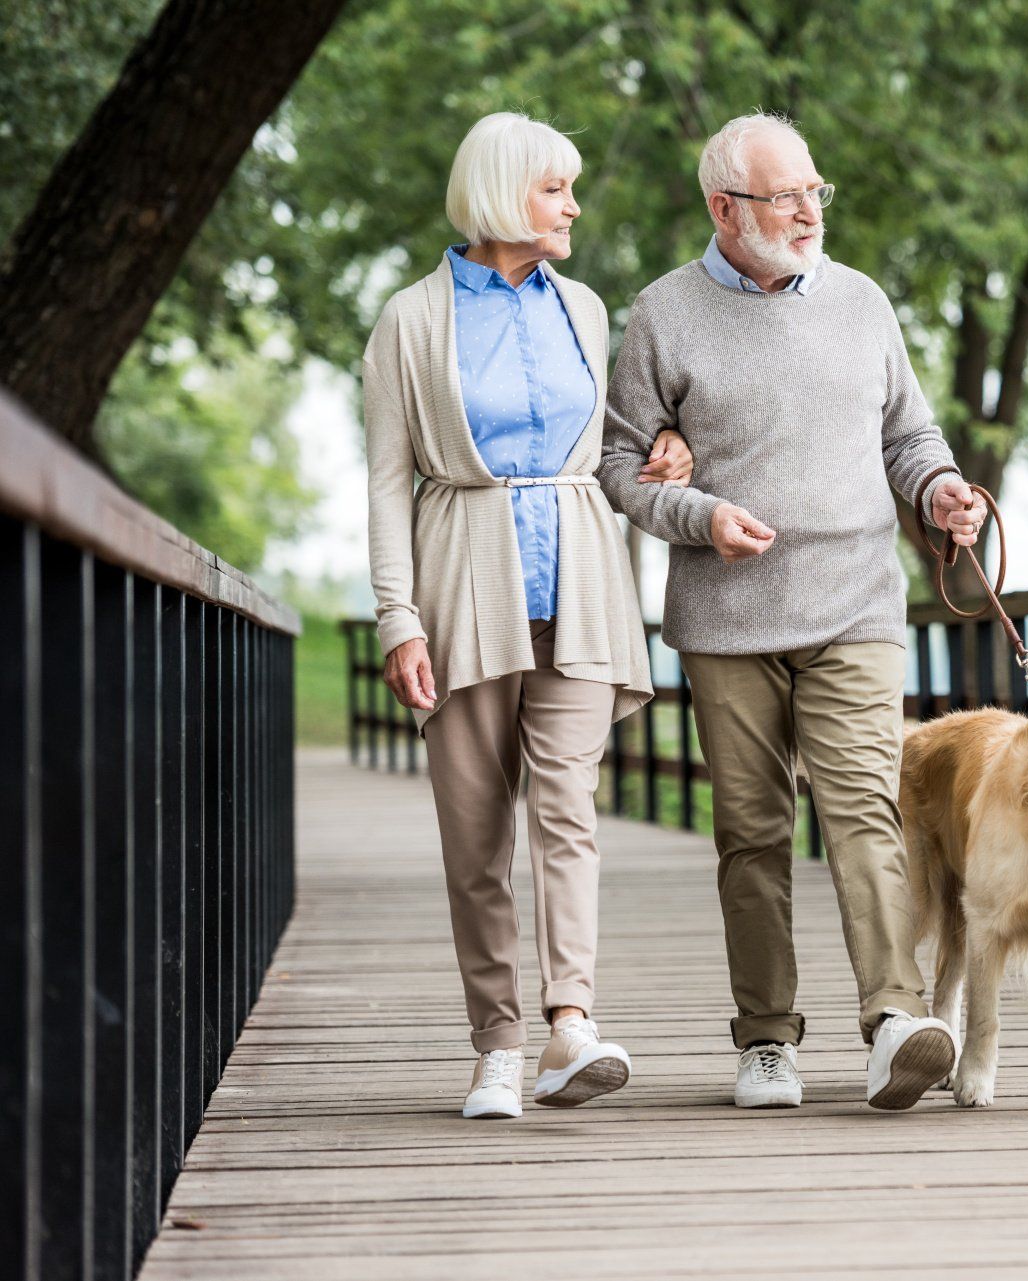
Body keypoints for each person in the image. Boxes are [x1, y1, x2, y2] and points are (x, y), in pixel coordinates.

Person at [598, 112, 988, 1111]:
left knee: (864, 809)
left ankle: (895, 1019)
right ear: (726, 210)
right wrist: (697, 514)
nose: (810, 211)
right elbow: (618, 466)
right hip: (727, 616)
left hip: (856, 600)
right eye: (786, 198)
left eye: (817, 191)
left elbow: (909, 434)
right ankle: (766, 1038)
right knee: (752, 829)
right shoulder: (662, 315)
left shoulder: (862, 303)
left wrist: (940, 489)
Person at [362, 111, 693, 1119]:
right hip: (462, 579)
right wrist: (395, 617)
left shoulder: (587, 309)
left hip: (584, 579)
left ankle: (569, 1024)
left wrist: (664, 447)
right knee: (473, 832)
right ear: (507, 193)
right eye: (558, 190)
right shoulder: (411, 322)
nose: (574, 207)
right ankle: (495, 1045)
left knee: (568, 814)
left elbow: (608, 445)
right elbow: (384, 484)